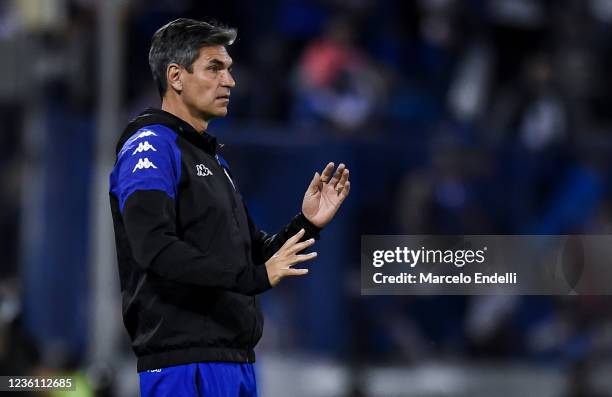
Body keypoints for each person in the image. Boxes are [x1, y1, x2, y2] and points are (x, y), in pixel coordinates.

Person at [108, 18, 350, 397]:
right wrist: (253, 278)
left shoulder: (213, 161)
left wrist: (307, 223)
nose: (230, 81)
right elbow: (153, 247)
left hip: (233, 362)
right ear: (176, 76)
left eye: (230, 69)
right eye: (215, 68)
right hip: (186, 368)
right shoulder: (152, 147)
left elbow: (254, 257)